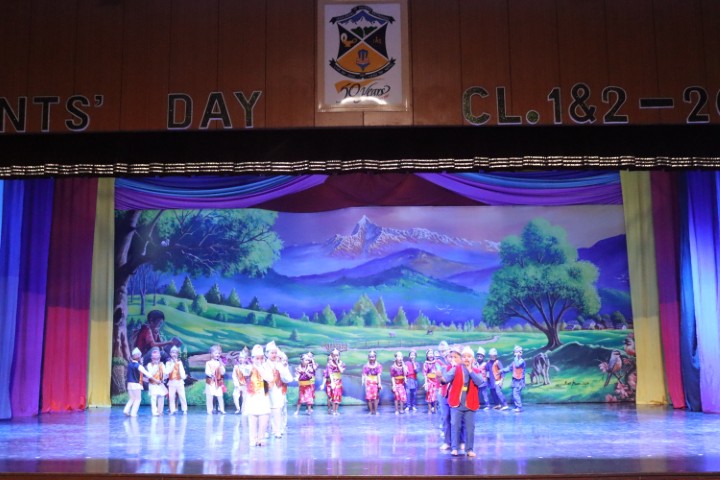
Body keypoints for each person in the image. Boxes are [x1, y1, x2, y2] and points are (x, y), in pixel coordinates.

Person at [443, 346, 485, 457]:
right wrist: (440, 378)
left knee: (470, 428)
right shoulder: (456, 369)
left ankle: (469, 449)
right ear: (461, 358)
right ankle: (454, 448)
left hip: (470, 403)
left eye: (469, 356)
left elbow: (479, 382)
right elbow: (446, 378)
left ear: (473, 359)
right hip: (456, 402)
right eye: (464, 356)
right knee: (455, 426)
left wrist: (470, 370)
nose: (466, 358)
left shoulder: (476, 371)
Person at [240, 344, 274, 447]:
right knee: (252, 417)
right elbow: (245, 373)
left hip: (263, 396)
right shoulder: (249, 367)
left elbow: (269, 378)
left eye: (261, 358)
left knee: (264, 417)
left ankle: (261, 438)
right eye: (257, 358)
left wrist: (259, 368)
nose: (259, 360)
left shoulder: (266, 367)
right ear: (252, 358)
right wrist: (246, 364)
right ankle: (253, 439)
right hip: (252, 396)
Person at [265, 341, 293, 438]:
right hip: (266, 391)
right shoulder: (264, 365)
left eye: (275, 353)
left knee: (278, 410)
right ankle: (267, 430)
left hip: (277, 391)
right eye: (272, 353)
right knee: (267, 411)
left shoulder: (280, 365)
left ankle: (277, 430)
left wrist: (282, 368)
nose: (274, 355)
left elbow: (288, 379)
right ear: (267, 354)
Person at [123, 347, 153, 417]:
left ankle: (126, 410)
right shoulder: (138, 366)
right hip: (136, 384)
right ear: (138, 357)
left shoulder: (130, 365)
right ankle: (133, 413)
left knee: (132, 398)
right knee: (138, 399)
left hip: (129, 384)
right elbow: (146, 373)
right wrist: (153, 377)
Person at [145, 346, 168, 416]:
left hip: (160, 384)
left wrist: (164, 377)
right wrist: (156, 366)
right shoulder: (149, 365)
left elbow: (165, 373)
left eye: (157, 358)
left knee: (161, 397)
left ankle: (160, 411)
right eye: (154, 358)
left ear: (159, 358)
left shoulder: (161, 364)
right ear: (152, 358)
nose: (156, 360)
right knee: (153, 398)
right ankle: (154, 412)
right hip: (152, 384)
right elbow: (150, 374)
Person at [503, 345, 526, 412]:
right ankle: (517, 407)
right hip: (515, 380)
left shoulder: (522, 361)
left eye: (519, 352)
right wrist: (501, 370)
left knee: (516, 394)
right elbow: (509, 368)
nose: (517, 353)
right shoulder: (514, 362)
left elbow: (517, 365)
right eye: (516, 352)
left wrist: (516, 357)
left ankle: (519, 407)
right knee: (515, 394)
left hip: (520, 381)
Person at [165, 345, 188, 415]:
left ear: (177, 354)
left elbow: (182, 371)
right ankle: (172, 410)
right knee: (171, 397)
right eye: (172, 352)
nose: (174, 354)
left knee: (182, 396)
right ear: (170, 353)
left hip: (179, 382)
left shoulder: (179, 362)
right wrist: (173, 364)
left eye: (175, 353)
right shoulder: (168, 363)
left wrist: (183, 377)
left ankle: (184, 409)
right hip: (171, 382)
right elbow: (167, 371)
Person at [205, 345, 226, 415]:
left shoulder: (219, 363)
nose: (217, 355)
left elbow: (223, 372)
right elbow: (207, 371)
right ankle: (209, 410)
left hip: (218, 382)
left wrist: (221, 365)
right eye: (216, 353)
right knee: (209, 397)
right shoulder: (208, 363)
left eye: (219, 353)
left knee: (220, 396)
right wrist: (211, 374)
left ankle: (222, 409)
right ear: (211, 354)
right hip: (210, 381)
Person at [325, 348, 346, 415]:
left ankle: (336, 410)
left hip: (339, 381)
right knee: (333, 396)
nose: (336, 357)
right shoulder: (330, 364)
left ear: (339, 356)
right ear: (332, 356)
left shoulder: (342, 363)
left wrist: (337, 363)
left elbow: (341, 371)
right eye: (334, 356)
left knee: (338, 396)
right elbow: (330, 374)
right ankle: (333, 410)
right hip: (333, 381)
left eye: (337, 355)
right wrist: (332, 382)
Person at [361, 350, 382, 415]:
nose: (371, 358)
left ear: (375, 357)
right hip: (368, 383)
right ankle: (370, 411)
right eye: (370, 357)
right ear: (368, 357)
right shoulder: (365, 366)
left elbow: (378, 375)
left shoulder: (378, 365)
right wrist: (364, 384)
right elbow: (365, 375)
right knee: (369, 398)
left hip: (375, 383)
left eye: (373, 357)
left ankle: (375, 410)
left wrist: (379, 384)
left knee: (376, 397)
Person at [422, 349, 440, 414]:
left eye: (432, 353)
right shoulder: (426, 364)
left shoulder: (436, 363)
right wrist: (426, 383)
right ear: (427, 355)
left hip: (436, 381)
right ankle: (429, 409)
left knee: (435, 396)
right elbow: (425, 374)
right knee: (429, 395)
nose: (431, 355)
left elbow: (439, 371)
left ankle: (435, 409)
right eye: (429, 354)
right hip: (429, 381)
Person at [232, 350, 248, 414]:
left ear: (246, 359)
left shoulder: (248, 367)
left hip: (245, 384)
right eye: (240, 357)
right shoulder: (236, 367)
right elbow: (234, 376)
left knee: (245, 397)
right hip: (238, 384)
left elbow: (248, 375)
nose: (241, 359)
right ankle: (238, 408)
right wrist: (236, 384)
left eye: (242, 358)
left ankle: (243, 409)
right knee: (235, 395)